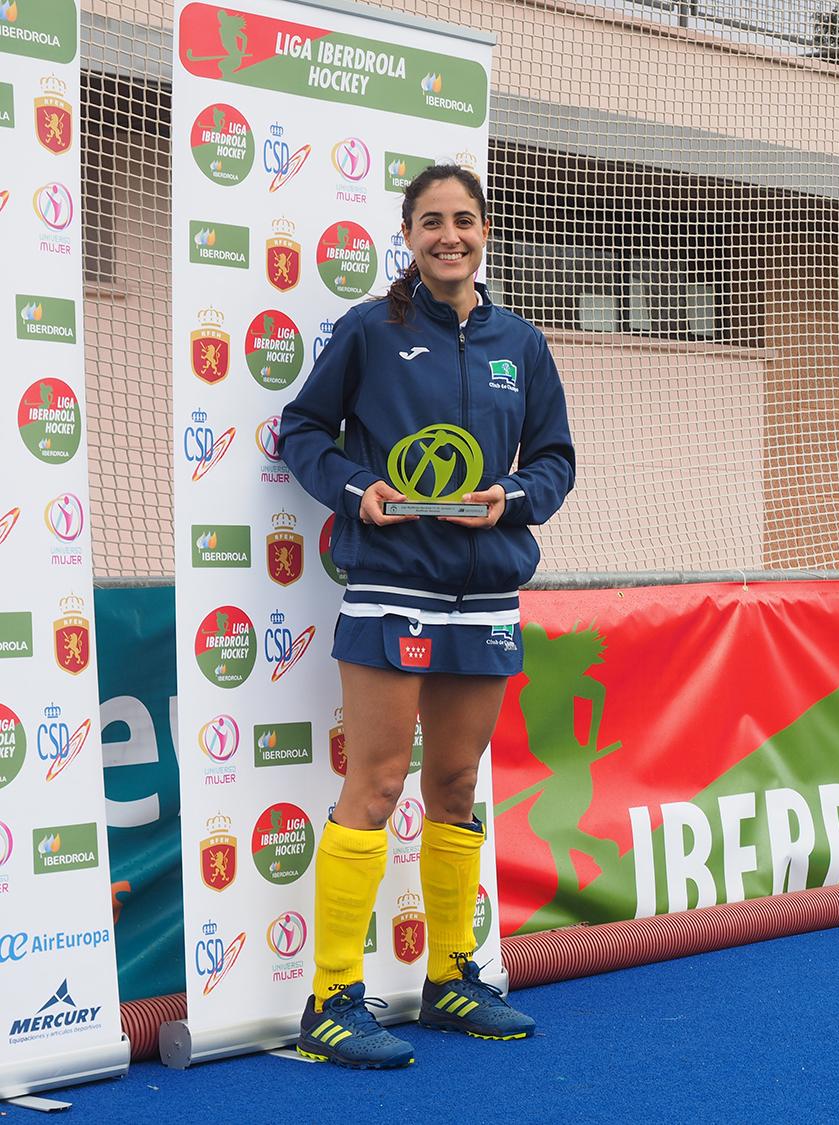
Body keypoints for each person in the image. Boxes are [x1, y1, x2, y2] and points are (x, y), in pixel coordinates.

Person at [279, 163, 575, 1069]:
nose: (450, 235)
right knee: (373, 785)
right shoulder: (371, 330)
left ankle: (451, 977)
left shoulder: (520, 343)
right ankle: (332, 997)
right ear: (406, 236)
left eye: (465, 220)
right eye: (431, 222)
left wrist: (512, 497)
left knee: (454, 786)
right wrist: (354, 487)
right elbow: (301, 431)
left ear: (487, 231)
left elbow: (557, 461)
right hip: (391, 584)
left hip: (483, 593)